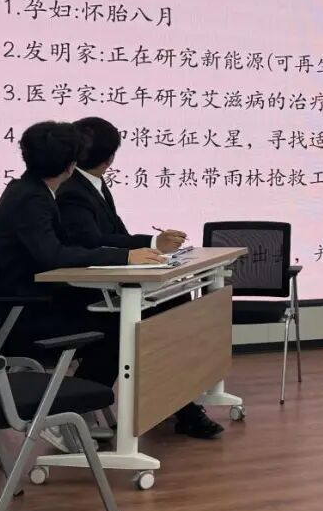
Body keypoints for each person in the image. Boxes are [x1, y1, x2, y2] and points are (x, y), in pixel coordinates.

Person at [0, 122, 164, 448]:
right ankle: (60, 414)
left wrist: (122, 253)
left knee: (116, 320)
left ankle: (75, 411)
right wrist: (124, 257)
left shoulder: (30, 190)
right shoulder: (32, 199)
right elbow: (52, 255)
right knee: (117, 327)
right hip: (21, 314)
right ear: (70, 166)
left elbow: (64, 248)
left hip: (26, 303)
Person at [57, 116, 223, 439]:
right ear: (110, 158)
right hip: (84, 295)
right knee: (154, 318)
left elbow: (115, 234)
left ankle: (173, 401)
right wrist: (150, 244)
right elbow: (92, 242)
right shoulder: (73, 191)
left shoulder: (91, 184)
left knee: (173, 301)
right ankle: (179, 406)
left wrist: (152, 244)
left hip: (106, 289)